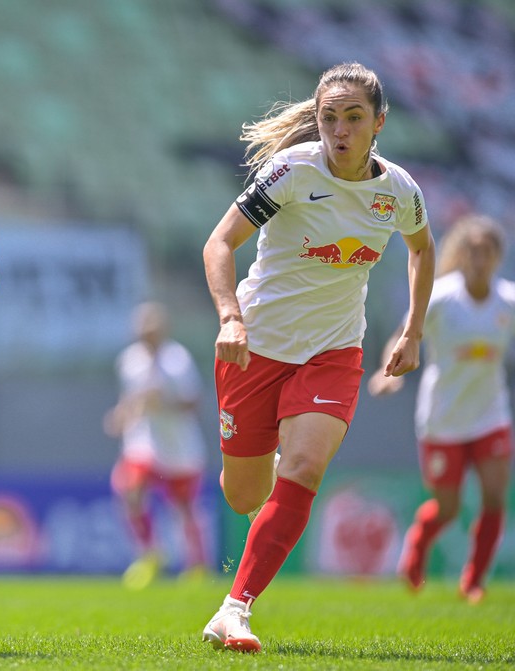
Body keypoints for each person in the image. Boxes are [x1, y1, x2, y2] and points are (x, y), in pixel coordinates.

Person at [200, 62, 435, 653]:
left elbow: (423, 249)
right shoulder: (291, 172)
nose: (340, 130)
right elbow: (219, 243)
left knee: (303, 468)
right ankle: (271, 468)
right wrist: (230, 316)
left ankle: (235, 609)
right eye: (330, 117)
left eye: (354, 117)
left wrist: (412, 330)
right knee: (245, 497)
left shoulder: (399, 191)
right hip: (256, 349)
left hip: (334, 350)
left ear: (379, 122)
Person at [369, 214, 513, 603]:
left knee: (495, 496)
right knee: (447, 509)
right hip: (442, 418)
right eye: (473, 251)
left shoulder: (508, 301)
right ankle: (417, 548)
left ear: (498, 257)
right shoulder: (441, 296)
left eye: (487, 252)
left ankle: (474, 581)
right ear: (462, 255)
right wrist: (389, 373)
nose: (479, 259)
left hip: (490, 416)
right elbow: (403, 336)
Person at [103, 302, 209, 589]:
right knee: (129, 487)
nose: (146, 333)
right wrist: (121, 416)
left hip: (179, 447)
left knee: (185, 507)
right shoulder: (130, 360)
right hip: (144, 441)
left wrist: (161, 403)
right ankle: (150, 553)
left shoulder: (177, 360)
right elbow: (131, 399)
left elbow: (192, 403)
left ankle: (197, 566)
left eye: (152, 328)